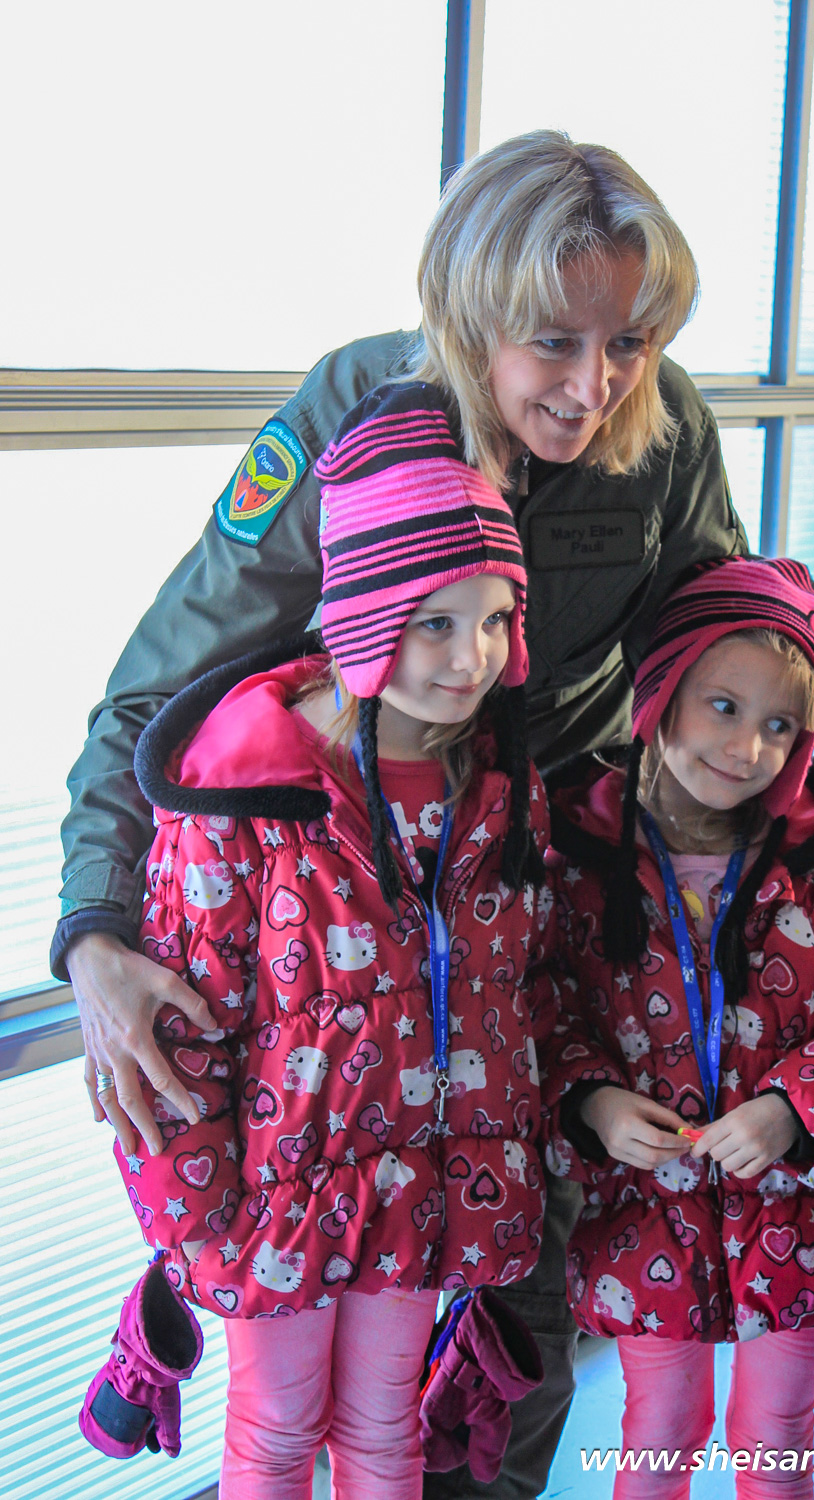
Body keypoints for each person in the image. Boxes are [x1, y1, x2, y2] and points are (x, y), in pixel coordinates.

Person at [55, 129, 746, 1497]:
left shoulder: (662, 429)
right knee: (299, 1375)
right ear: (470, 312)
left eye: (631, 342)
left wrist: (743, 856)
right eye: (554, 344)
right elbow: (156, 699)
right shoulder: (352, 410)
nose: (595, 387)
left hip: (530, 921)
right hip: (343, 938)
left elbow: (722, 652)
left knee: (513, 1321)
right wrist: (93, 933)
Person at [85, 387, 558, 1498]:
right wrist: (195, 1213)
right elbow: (182, 1029)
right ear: (363, 617)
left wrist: (503, 1166)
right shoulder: (242, 794)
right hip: (271, 1206)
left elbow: (514, 997)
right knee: (274, 1434)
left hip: (423, 1188)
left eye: (496, 620)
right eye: (434, 622)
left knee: (388, 1431)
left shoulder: (498, 788)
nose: (471, 657)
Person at [543, 556, 814, 1499]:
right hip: (647, 1212)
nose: (748, 747)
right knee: (661, 1429)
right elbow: (535, 1008)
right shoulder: (575, 865)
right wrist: (593, 1103)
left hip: (799, 1210)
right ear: (662, 689)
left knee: (776, 1434)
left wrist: (796, 1107)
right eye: (723, 706)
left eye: (779, 725)